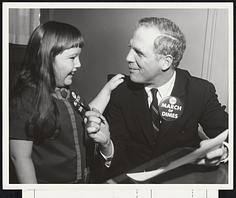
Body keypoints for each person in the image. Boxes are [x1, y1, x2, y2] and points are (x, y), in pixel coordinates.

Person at [85, 17, 228, 180]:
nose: (128, 58)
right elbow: (116, 156)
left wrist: (224, 152)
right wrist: (106, 145)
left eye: (138, 52)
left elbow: (228, 135)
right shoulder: (121, 91)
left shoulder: (200, 91)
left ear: (165, 62)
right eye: (130, 48)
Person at [9, 21, 124, 184]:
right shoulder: (25, 100)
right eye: (72, 58)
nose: (79, 64)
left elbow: (86, 114)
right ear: (46, 58)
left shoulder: (69, 93)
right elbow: (20, 157)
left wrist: (107, 90)